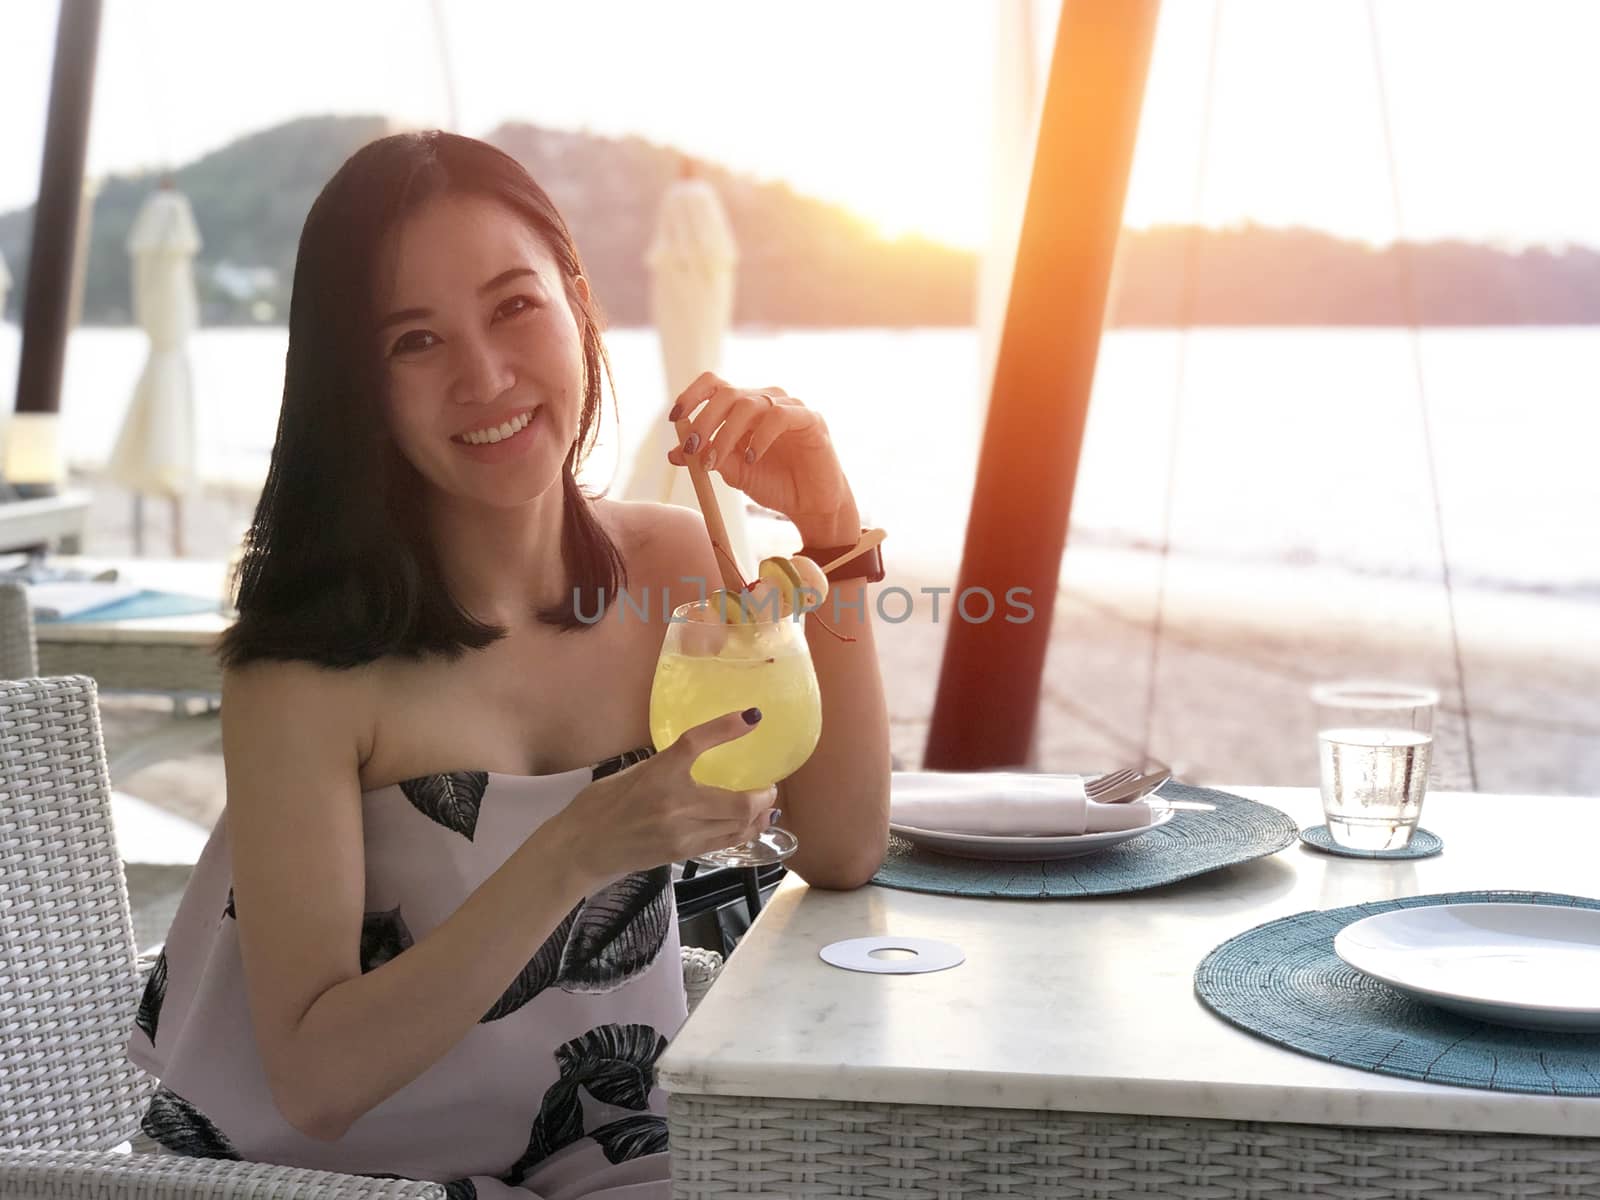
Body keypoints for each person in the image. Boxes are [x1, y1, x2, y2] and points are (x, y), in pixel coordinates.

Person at [126, 130, 890, 1200]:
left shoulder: (675, 568)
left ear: (577, 304)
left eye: (512, 307)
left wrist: (835, 533)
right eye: (413, 342)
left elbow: (847, 844)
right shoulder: (306, 666)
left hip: (602, 1141)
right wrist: (581, 849)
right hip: (327, 1176)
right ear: (359, 386)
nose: (482, 377)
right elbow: (315, 1081)